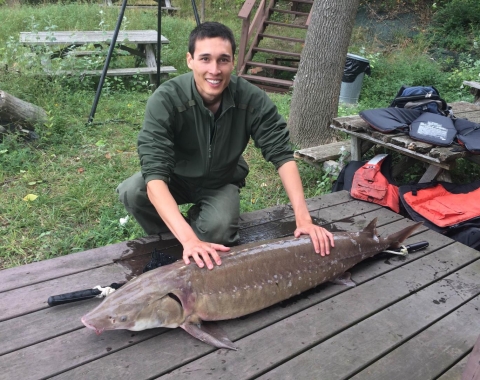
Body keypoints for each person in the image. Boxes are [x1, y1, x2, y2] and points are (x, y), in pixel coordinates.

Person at [117, 21, 334, 270]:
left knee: (218, 232)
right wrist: (188, 239)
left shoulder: (251, 98)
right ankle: (174, 241)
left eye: (223, 60)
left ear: (233, 62)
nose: (214, 70)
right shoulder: (166, 99)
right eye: (205, 59)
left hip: (220, 181)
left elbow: (282, 155)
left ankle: (197, 238)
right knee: (133, 191)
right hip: (174, 177)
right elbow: (154, 173)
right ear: (190, 60)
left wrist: (303, 218)